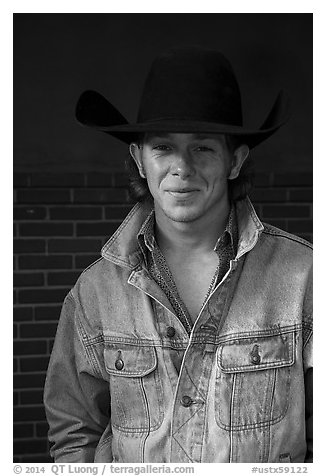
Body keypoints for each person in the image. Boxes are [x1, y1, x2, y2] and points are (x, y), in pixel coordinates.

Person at [44, 46, 312, 463]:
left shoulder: (306, 279)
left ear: (235, 161)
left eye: (202, 148)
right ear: (139, 159)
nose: (181, 168)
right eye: (163, 148)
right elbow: (74, 433)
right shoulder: (94, 293)